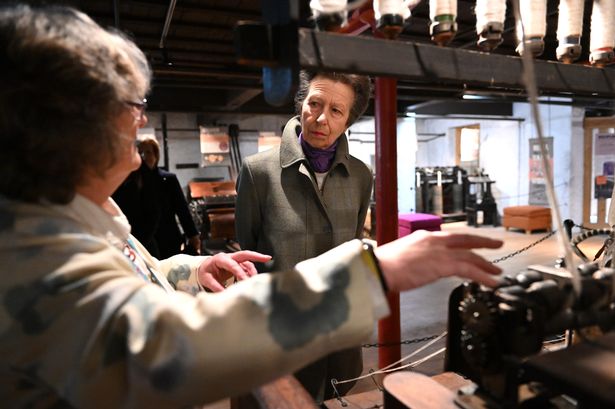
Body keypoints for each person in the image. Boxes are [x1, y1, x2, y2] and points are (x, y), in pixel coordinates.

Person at [0, 4, 504, 408]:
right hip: (276, 325)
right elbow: (172, 347)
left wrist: (196, 269)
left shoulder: (73, 211)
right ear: (69, 126)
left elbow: (139, 273)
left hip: (304, 328)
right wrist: (372, 272)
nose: (141, 118)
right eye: (131, 105)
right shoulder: (35, 255)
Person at [235, 70, 373, 400]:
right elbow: (248, 253)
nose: (320, 118)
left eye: (336, 111)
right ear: (301, 105)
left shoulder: (360, 176)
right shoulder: (258, 172)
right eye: (314, 103)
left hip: (337, 330)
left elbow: (354, 248)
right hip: (280, 333)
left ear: (347, 121)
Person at [115, 137, 201, 258]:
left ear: (156, 155)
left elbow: (182, 209)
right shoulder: (131, 182)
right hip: (142, 238)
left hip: (168, 236)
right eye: (140, 153)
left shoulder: (167, 179)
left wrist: (193, 235)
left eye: (148, 152)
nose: (143, 156)